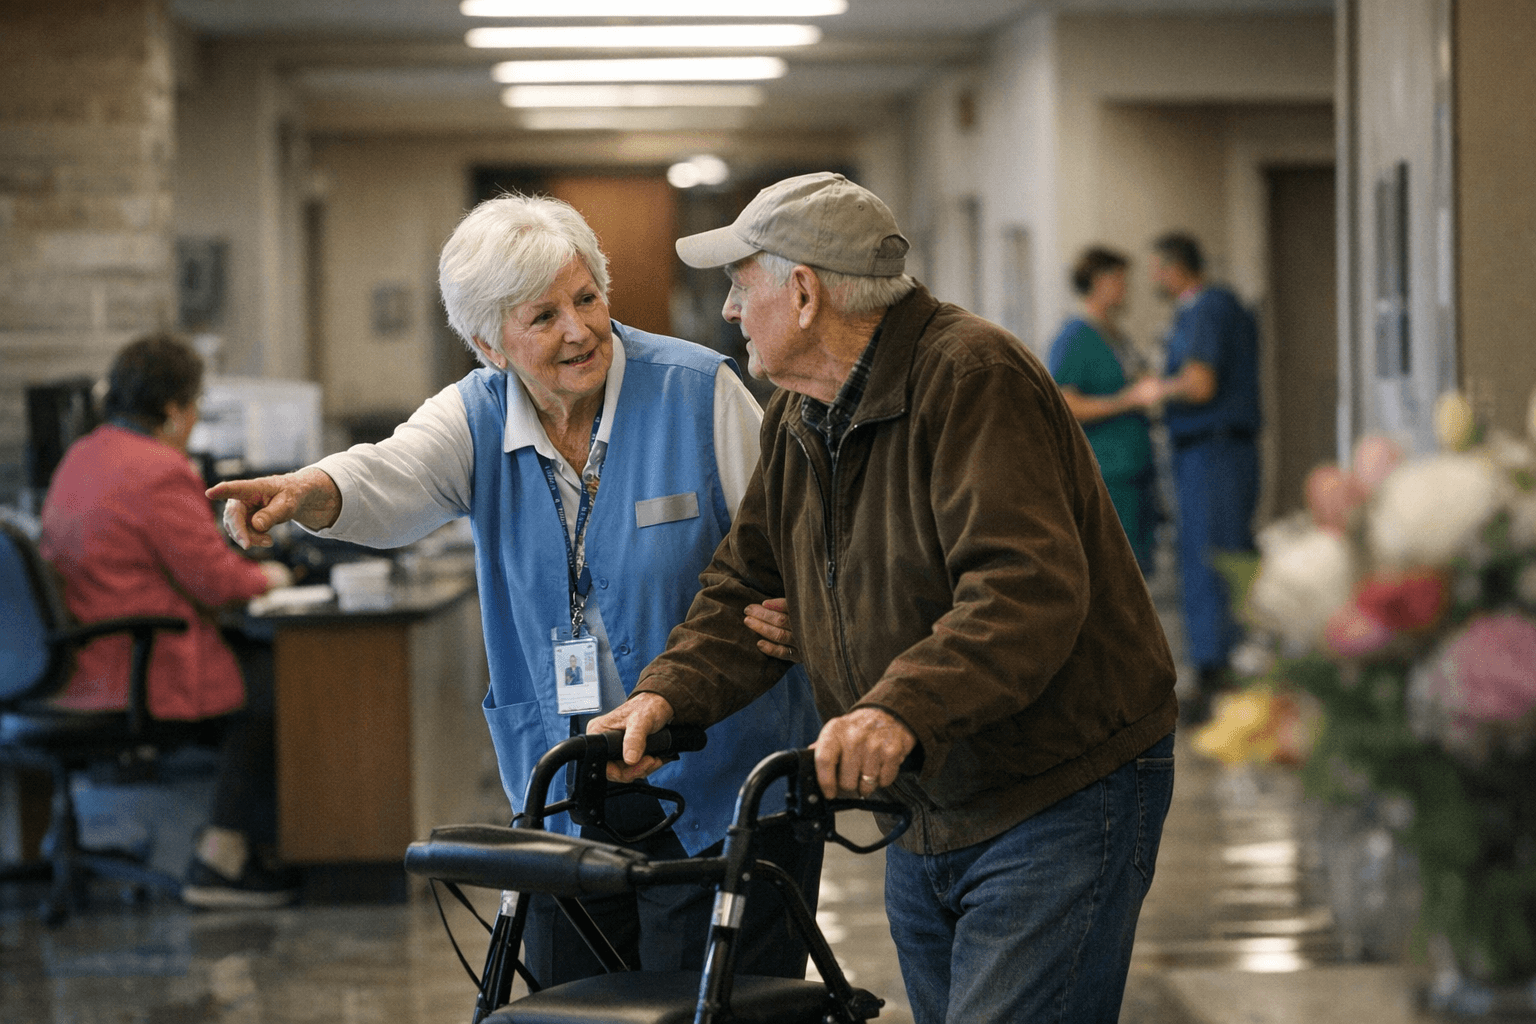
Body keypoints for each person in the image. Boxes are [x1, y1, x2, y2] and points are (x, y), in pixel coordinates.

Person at [592, 172, 1178, 1024]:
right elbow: (744, 587)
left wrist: (894, 707)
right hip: (929, 798)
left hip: (1055, 787)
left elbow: (1024, 591)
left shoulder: (972, 376)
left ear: (804, 294)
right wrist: (663, 695)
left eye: (740, 284)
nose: (728, 310)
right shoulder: (798, 414)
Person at [208, 194, 822, 985]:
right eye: (543, 317)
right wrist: (307, 491)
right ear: (487, 344)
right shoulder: (475, 416)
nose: (580, 330)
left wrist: (811, 612)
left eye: (587, 299)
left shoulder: (697, 390)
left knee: (716, 1002)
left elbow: (797, 541)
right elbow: (390, 474)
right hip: (568, 785)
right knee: (568, 999)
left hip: (722, 777)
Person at [39, 333, 298, 909]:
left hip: (75, 663)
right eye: (195, 404)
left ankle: (239, 847)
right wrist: (275, 577)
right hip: (138, 665)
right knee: (275, 682)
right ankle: (223, 858)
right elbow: (214, 580)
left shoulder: (82, 455)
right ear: (176, 409)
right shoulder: (158, 470)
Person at [1145, 232, 1261, 724]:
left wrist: (1154, 391)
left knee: (1212, 560)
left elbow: (1199, 383)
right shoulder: (1203, 311)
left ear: (1175, 268)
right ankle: (1222, 669)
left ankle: (1219, 677)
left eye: (1157, 268)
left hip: (1213, 451)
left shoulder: (1207, 308)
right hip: (1212, 452)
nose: (1154, 279)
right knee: (1215, 557)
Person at [1047, 246, 1162, 572]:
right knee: (1115, 570)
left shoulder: (1115, 336)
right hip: (1109, 473)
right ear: (1098, 282)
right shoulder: (1075, 337)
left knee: (1138, 567)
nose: (1126, 289)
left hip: (1135, 470)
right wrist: (1127, 400)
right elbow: (1065, 404)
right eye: (1119, 281)